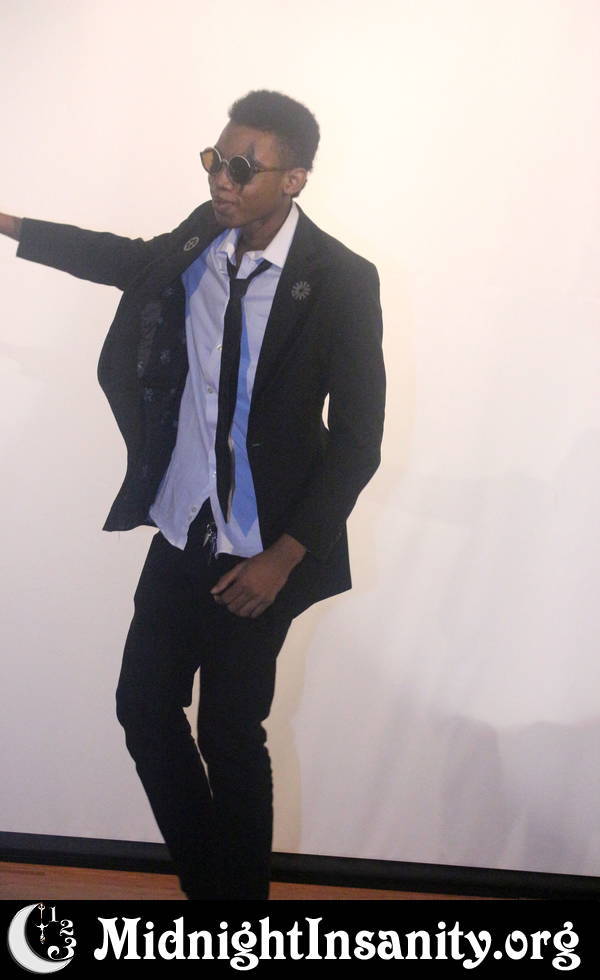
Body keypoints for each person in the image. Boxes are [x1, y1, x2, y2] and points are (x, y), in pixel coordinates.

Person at [0, 90, 385, 900]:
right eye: (215, 159)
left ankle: (235, 920)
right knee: (143, 708)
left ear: (294, 180)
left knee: (231, 735)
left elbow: (358, 442)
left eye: (242, 167)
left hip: (264, 548)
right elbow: (121, 258)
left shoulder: (342, 280)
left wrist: (284, 559)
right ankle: (221, 897)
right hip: (185, 528)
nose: (221, 178)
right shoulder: (199, 236)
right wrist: (8, 225)